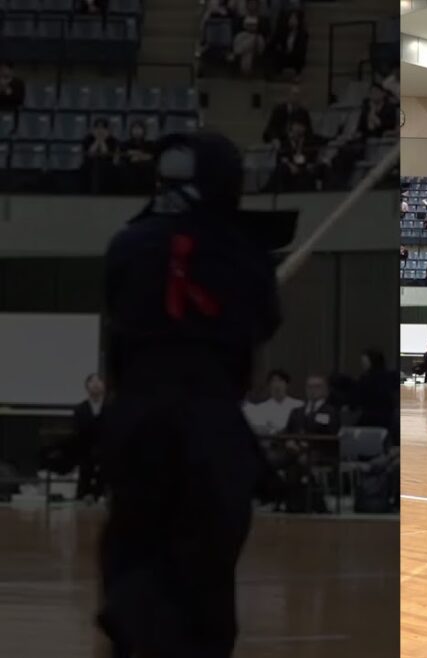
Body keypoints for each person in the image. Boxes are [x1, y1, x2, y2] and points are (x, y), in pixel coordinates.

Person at [97, 131, 295, 658]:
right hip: (210, 433)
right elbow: (259, 338)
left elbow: (118, 339)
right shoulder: (244, 251)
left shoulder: (125, 244)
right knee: (206, 581)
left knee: (135, 561)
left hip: (136, 427)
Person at [73, 373, 107, 502]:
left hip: (106, 451)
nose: (96, 384)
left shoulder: (110, 407)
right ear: (87, 387)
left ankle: (102, 495)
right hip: (86, 451)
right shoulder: (80, 409)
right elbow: (78, 431)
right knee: (85, 474)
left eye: (99, 381)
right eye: (92, 382)